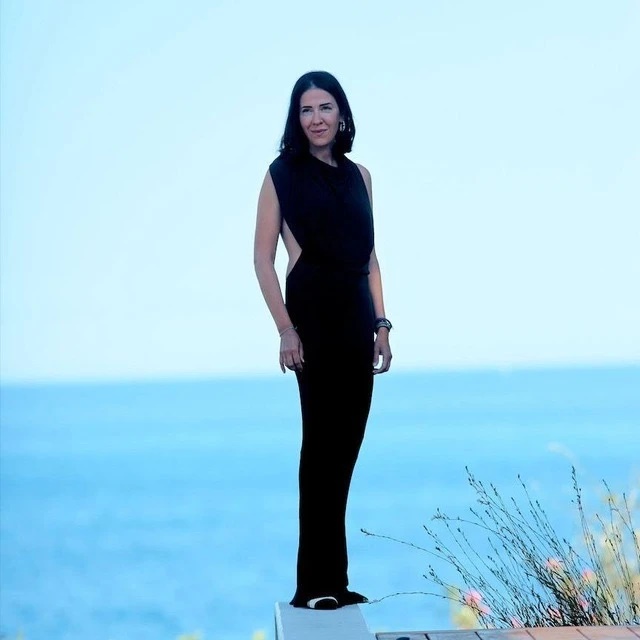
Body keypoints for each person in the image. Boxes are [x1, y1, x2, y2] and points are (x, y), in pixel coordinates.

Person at [253, 70, 393, 610]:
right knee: (320, 450)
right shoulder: (280, 175)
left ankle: (336, 580)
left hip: (357, 317)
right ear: (297, 118)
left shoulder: (362, 176)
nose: (316, 118)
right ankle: (312, 587)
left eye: (325, 107)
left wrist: (381, 325)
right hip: (311, 316)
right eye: (306, 109)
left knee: (346, 451)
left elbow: (370, 258)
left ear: (342, 115)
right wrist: (284, 328)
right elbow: (262, 259)